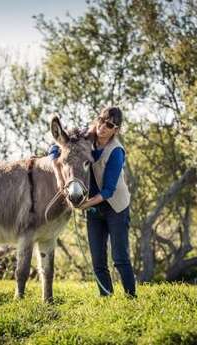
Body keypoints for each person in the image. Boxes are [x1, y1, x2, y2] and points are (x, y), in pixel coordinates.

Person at [49, 106, 136, 298]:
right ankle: (106, 297)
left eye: (109, 124)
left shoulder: (116, 152)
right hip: (95, 209)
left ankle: (131, 298)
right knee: (98, 260)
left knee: (120, 258)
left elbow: (108, 191)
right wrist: (56, 164)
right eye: (101, 120)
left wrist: (83, 205)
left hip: (115, 206)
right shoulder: (86, 137)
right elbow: (57, 147)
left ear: (116, 130)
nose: (102, 127)